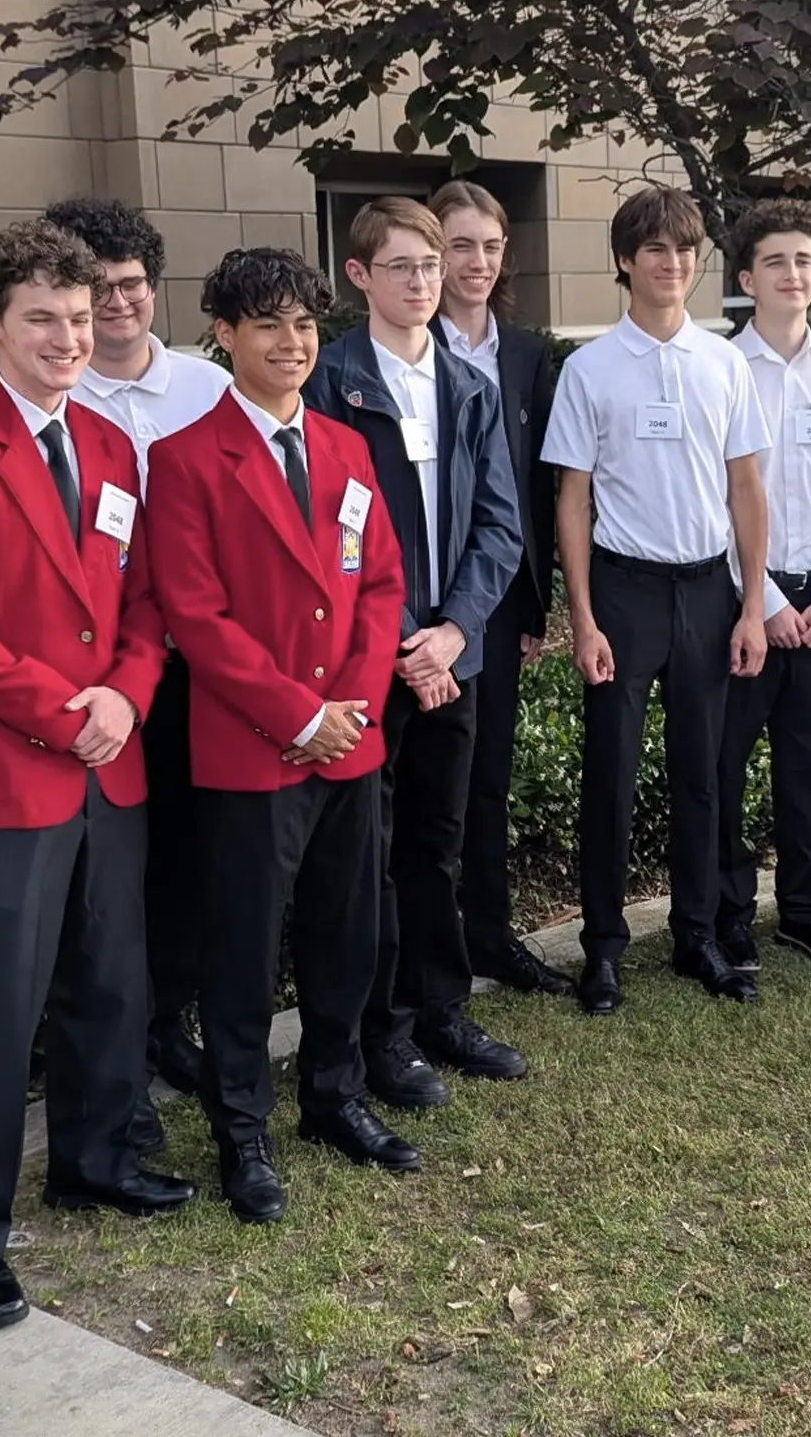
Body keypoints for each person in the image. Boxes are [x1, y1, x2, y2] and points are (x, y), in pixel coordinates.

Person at [0, 220, 192, 1334]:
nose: (69, 337)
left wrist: (126, 695)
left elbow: (146, 603)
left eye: (81, 316)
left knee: (112, 980)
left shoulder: (111, 448)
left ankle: (96, 1160)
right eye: (42, 320)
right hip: (11, 773)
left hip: (111, 764)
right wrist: (73, 713)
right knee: (1, 1006)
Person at [144, 247, 418, 1224]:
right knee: (245, 952)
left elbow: (381, 581)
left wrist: (346, 705)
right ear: (224, 335)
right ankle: (242, 1127)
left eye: (304, 323)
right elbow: (193, 611)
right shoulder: (182, 460)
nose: (291, 342)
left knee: (350, 933)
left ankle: (335, 1097)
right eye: (268, 324)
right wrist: (297, 714)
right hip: (252, 747)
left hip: (351, 741)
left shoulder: (346, 448)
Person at [306, 197, 525, 1109]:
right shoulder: (332, 383)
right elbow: (323, 536)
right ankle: (380, 1034)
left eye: (431, 265)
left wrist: (454, 630)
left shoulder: (468, 387)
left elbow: (500, 526)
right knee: (370, 852)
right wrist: (402, 640)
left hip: (451, 655)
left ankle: (442, 1007)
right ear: (359, 276)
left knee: (439, 840)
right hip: (369, 663)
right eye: (401, 266)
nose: (423, 282)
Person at [542, 185, 773, 1014]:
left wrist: (751, 608)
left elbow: (747, 488)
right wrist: (585, 618)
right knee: (609, 774)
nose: (672, 265)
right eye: (654, 251)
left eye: (684, 251)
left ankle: (696, 935)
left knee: (703, 775)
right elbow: (573, 498)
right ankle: (602, 949)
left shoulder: (724, 364)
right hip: (625, 591)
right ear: (624, 263)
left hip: (709, 592)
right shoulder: (590, 368)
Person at [44, 196, 234, 1113]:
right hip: (105, 671)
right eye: (95, 290)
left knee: (192, 854)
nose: (115, 306)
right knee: (113, 864)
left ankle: (174, 1019)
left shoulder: (207, 386)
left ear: (154, 289)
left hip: (203, 665)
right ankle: (106, 1027)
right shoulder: (55, 388)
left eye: (129, 286)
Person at [716, 199, 811, 973]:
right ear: (748, 278)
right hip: (744, 603)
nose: (794, 273)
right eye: (776, 261)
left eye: (806, 260)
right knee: (727, 761)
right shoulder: (718, 369)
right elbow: (714, 498)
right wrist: (769, 603)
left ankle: (805, 913)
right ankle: (730, 912)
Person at [430, 179, 574, 999]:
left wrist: (533, 602)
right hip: (421, 610)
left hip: (498, 601)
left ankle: (490, 935)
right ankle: (427, 950)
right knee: (429, 794)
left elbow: (536, 485)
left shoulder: (525, 355)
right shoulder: (402, 350)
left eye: (489, 245)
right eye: (459, 245)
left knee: (487, 779)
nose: (476, 262)